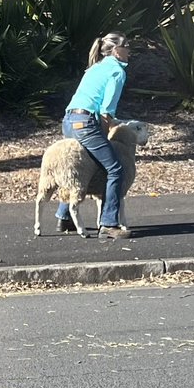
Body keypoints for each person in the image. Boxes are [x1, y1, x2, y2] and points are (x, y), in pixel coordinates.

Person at [55, 31, 131, 240]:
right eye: (126, 46)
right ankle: (108, 224)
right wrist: (107, 134)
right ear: (116, 50)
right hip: (87, 123)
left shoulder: (95, 68)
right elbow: (106, 111)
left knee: (80, 166)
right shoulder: (116, 71)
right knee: (115, 168)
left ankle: (65, 216)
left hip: (70, 120)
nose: (129, 51)